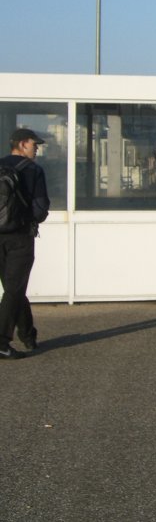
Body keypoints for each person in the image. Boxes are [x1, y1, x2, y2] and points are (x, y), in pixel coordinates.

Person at [0, 128, 50, 360]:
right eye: (34, 144)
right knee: (15, 288)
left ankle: (28, 335)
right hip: (20, 237)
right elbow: (40, 210)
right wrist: (28, 217)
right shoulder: (33, 171)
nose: (37, 147)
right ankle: (2, 342)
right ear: (22, 144)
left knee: (13, 289)